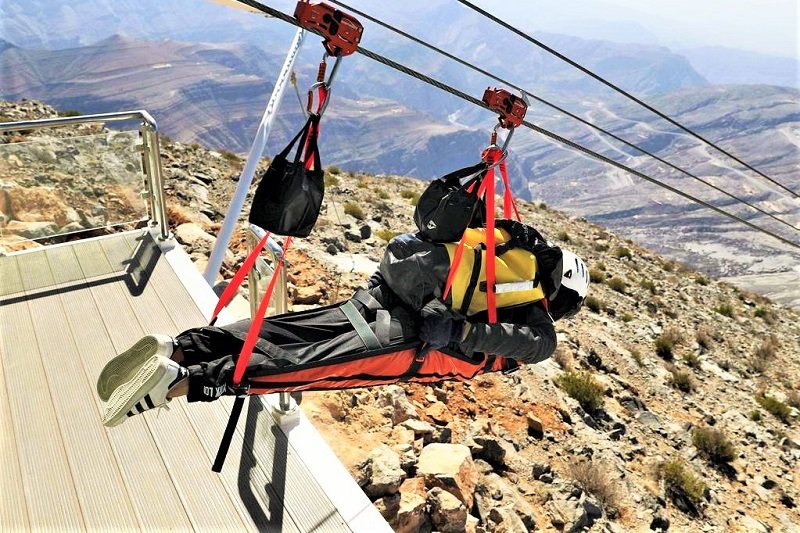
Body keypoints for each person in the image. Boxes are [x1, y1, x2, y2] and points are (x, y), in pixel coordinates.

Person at [98, 220, 590, 427]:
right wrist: (459, 333)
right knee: (306, 366)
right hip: (414, 343)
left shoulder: (508, 249)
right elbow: (532, 346)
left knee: (291, 330)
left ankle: (183, 347)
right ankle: (183, 383)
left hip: (384, 296)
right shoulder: (538, 317)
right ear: (563, 294)